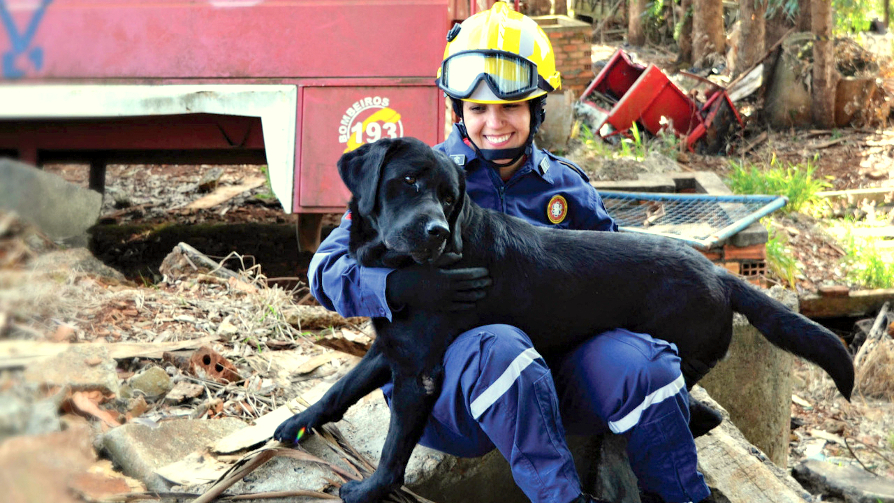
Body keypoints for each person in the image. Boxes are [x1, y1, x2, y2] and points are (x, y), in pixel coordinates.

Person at [306, 3, 711, 502]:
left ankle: (681, 494)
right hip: (453, 392)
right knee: (501, 347)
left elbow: (619, 279)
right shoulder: (414, 180)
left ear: (536, 109)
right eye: (477, 109)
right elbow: (326, 271)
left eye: (511, 107)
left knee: (644, 363)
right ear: (458, 110)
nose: (494, 122)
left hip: (558, 379)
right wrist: (398, 286)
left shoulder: (567, 188)